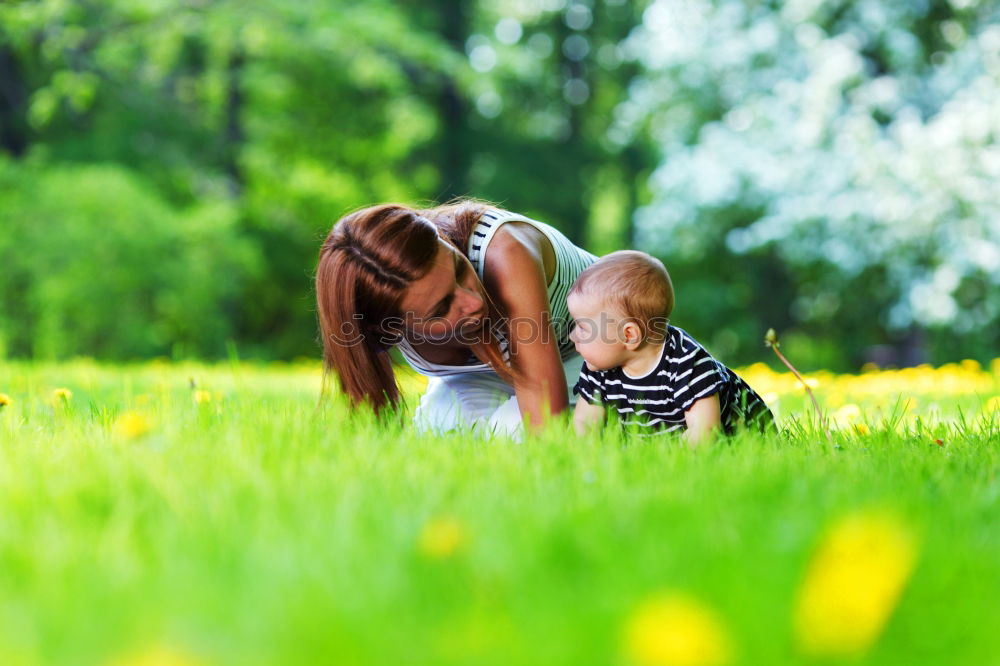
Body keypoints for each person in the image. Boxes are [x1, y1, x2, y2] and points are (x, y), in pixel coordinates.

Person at [315, 200, 597, 437]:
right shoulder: (379, 306)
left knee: (514, 433)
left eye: (460, 269)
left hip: (602, 353)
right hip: (497, 374)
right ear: (388, 330)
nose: (473, 302)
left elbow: (546, 425)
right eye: (441, 308)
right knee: (438, 434)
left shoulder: (506, 251)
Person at [568, 250, 774, 444]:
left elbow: (705, 434)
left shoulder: (688, 364)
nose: (572, 335)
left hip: (743, 440)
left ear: (629, 335)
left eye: (583, 328)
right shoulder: (598, 366)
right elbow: (584, 428)